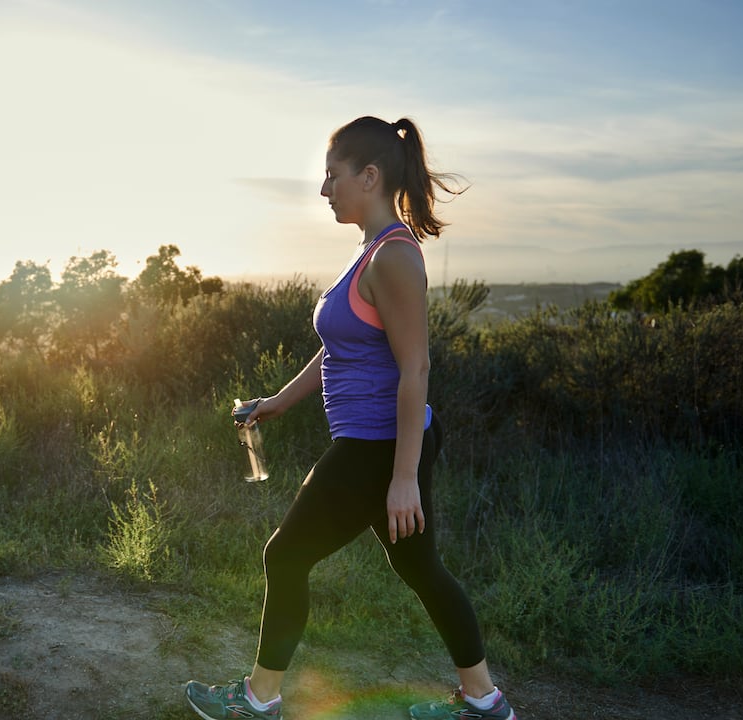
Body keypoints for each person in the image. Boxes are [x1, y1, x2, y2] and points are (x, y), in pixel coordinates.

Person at [185, 116, 516, 720]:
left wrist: (403, 476)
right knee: (422, 568)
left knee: (284, 557)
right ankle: (484, 701)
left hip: (379, 445)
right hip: (378, 443)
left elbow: (415, 370)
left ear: (369, 176)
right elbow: (338, 348)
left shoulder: (393, 258)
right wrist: (277, 404)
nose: (323, 189)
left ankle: (258, 701)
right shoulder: (369, 251)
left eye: (332, 176)